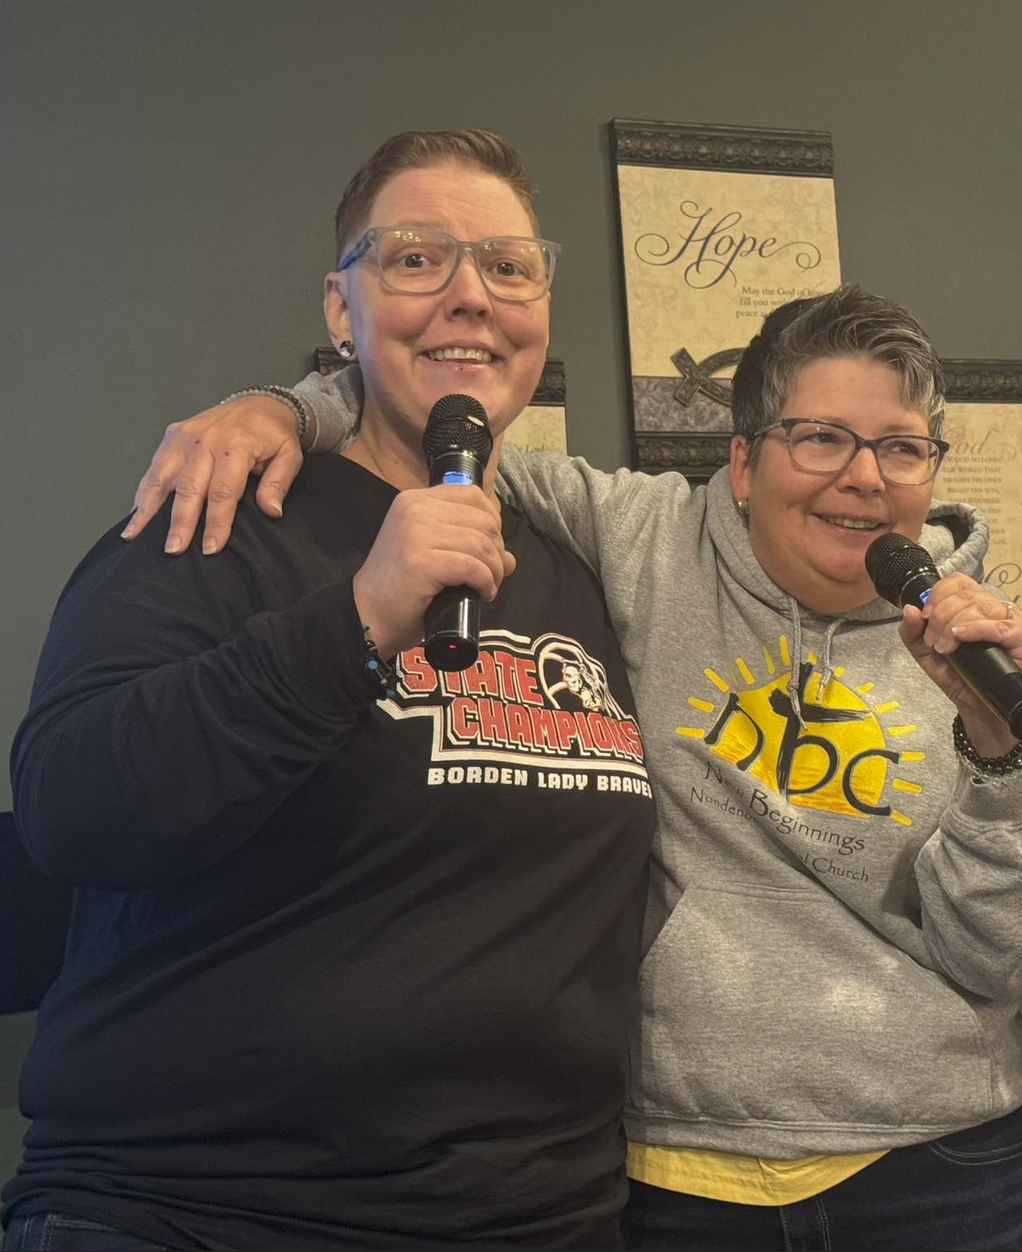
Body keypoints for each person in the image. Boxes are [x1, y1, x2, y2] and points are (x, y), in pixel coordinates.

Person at [118, 284, 1022, 1250]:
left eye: (900, 448)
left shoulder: (987, 653)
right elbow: (448, 421)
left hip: (945, 1167)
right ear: (744, 462)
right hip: (675, 1175)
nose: (864, 477)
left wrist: (999, 752)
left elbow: (1011, 955)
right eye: (819, 438)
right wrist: (287, 407)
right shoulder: (642, 536)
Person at [3, 130, 657, 1251]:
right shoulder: (213, 517)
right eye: (414, 259)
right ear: (340, 310)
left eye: (507, 266)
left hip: (539, 1217)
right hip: (202, 1209)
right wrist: (353, 619)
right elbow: (73, 811)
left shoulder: (579, 563)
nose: (469, 297)